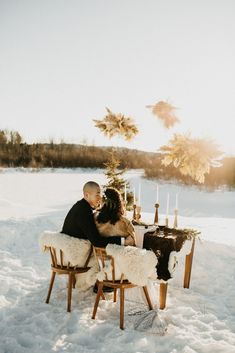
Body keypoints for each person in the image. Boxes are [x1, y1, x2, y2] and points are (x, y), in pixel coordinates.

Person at [61, 181, 135, 248]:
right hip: (73, 251)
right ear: (87, 195)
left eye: (100, 194)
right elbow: (97, 241)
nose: (100, 198)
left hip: (73, 246)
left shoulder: (82, 206)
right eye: (97, 195)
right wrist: (123, 241)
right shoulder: (83, 211)